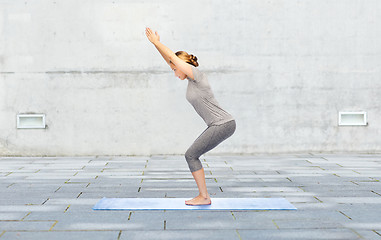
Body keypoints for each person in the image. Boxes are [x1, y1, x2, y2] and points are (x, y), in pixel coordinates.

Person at [145, 27, 236, 206]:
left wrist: (157, 42)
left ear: (181, 66)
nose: (173, 72)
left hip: (223, 123)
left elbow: (173, 59)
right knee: (192, 155)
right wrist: (155, 45)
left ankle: (204, 197)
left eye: (174, 69)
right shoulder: (190, 81)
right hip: (217, 124)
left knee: (191, 155)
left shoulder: (197, 77)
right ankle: (203, 196)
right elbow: (170, 59)